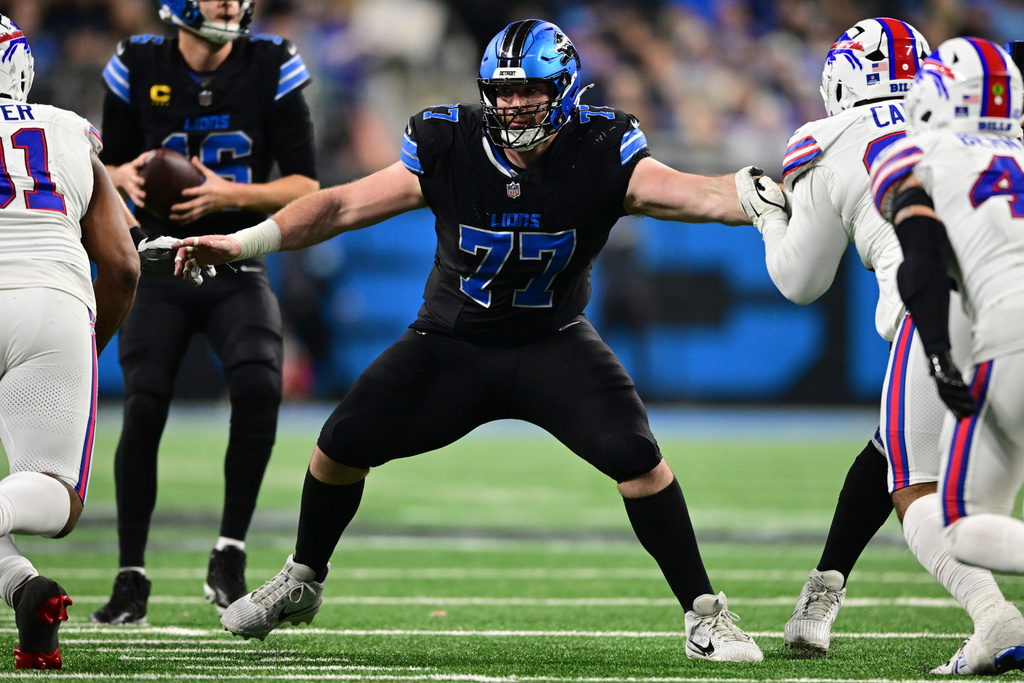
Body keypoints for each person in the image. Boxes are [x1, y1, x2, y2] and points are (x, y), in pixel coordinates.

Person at [173, 18, 764, 662]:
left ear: (563, 89)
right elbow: (342, 206)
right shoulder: (448, 140)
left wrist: (764, 195)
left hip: (553, 340)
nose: (512, 106)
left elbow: (696, 196)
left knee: (639, 460)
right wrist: (241, 242)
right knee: (338, 446)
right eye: (501, 91)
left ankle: (705, 614)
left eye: (527, 91)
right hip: (450, 342)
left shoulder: (602, 145)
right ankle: (303, 580)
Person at [735, 18, 1023, 674]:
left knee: (918, 490)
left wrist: (766, 214)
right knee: (892, 447)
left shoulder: (833, 137)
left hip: (945, 311)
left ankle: (993, 614)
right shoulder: (993, 130)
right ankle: (825, 589)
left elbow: (800, 280)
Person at [91, 0, 319, 625]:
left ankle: (230, 551)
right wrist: (123, 177)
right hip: (158, 262)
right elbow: (99, 169)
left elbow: (306, 186)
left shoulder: (270, 62)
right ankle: (131, 573)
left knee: (258, 382)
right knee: (144, 403)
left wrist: (230, 194)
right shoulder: (137, 61)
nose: (228, 4)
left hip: (233, 257)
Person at [870, 35, 1024, 675]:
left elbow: (923, 265)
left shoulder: (914, 151)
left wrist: (937, 351)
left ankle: (997, 622)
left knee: (957, 519)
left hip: (1007, 337)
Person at [0, 16, 140, 668]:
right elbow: (122, 263)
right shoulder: (63, 127)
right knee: (55, 492)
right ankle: (25, 590)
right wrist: (88, 344)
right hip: (52, 302)